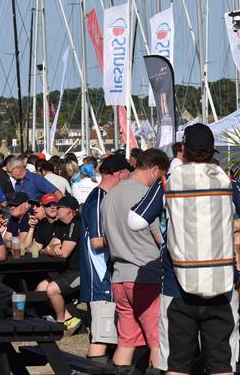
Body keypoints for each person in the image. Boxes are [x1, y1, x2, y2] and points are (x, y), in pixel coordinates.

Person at [127, 123, 240, 375]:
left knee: (177, 366)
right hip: (221, 288)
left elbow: (135, 221)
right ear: (213, 150)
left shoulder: (167, 183)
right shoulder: (227, 181)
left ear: (183, 150)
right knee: (222, 366)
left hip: (177, 288)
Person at [102, 149, 167, 372]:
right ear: (155, 170)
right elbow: (161, 239)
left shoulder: (109, 195)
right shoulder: (147, 196)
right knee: (157, 341)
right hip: (145, 276)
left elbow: (106, 237)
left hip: (119, 277)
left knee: (126, 340)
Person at [79, 154, 131, 364]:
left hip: (104, 278)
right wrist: (129, 239)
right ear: (119, 174)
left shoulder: (102, 197)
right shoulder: (100, 198)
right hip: (101, 279)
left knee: (108, 335)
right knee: (102, 337)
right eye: (128, 173)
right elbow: (97, 241)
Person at [36, 194, 82, 335]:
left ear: (70, 210)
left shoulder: (76, 223)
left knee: (51, 290)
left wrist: (50, 250)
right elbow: (52, 246)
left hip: (80, 271)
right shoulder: (60, 225)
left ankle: (60, 324)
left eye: (60, 207)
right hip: (66, 270)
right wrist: (49, 250)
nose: (56, 208)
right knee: (40, 289)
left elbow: (63, 253)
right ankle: (69, 318)